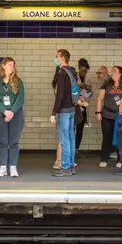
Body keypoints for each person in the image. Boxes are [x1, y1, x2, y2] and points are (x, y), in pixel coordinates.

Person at [0, 57, 25, 178]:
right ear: (3, 66)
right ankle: (3, 167)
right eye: (10, 65)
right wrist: (5, 111)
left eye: (13, 65)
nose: (12, 67)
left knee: (14, 142)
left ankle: (13, 167)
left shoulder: (18, 81)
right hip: (0, 115)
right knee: (3, 142)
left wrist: (11, 112)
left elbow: (20, 99)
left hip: (16, 115)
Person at [95, 66, 122, 168]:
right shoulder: (107, 83)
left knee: (120, 137)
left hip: (121, 116)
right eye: (112, 70)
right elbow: (100, 98)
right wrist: (98, 112)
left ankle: (120, 159)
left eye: (115, 71)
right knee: (107, 137)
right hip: (107, 115)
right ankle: (104, 159)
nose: (112, 72)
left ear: (120, 73)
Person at [51, 49, 77, 177]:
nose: (55, 59)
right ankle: (71, 166)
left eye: (57, 57)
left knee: (64, 139)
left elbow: (59, 95)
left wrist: (54, 112)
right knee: (71, 139)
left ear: (62, 58)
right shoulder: (72, 71)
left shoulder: (62, 74)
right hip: (72, 109)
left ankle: (65, 167)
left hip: (64, 111)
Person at [75, 58, 94, 155]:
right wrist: (79, 85)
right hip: (74, 107)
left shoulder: (88, 79)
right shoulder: (74, 77)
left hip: (83, 107)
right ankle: (70, 150)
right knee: (71, 129)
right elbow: (70, 90)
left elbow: (91, 92)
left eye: (85, 71)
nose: (84, 73)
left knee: (80, 129)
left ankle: (76, 149)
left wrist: (88, 89)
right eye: (82, 71)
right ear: (79, 69)